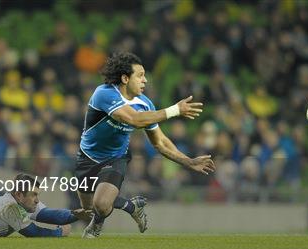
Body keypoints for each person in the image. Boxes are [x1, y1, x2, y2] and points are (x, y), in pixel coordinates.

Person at [76, 52, 215, 238]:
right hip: (88, 157)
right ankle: (132, 207)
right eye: (140, 75)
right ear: (125, 78)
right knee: (88, 209)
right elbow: (133, 119)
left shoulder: (145, 104)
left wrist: (187, 161)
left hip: (116, 157)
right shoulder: (104, 93)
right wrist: (174, 110)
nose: (145, 80)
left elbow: (160, 142)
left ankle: (98, 222)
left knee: (101, 205)